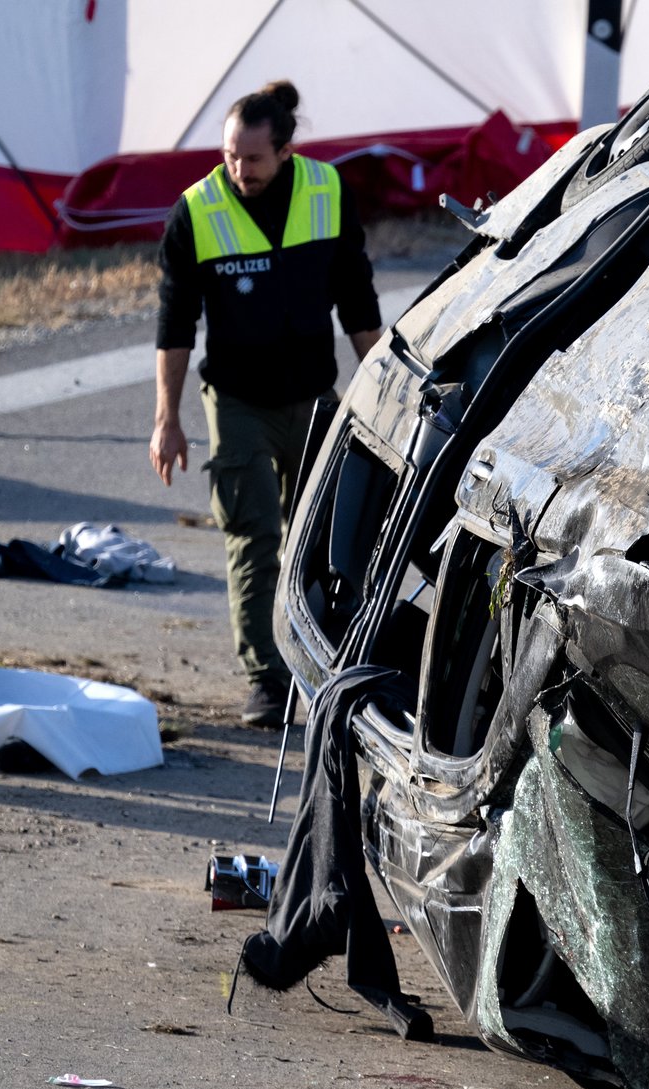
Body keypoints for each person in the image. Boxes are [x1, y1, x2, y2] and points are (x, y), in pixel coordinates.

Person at [150, 80, 383, 727]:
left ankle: (318, 666)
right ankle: (267, 683)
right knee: (252, 537)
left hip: (312, 401)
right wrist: (167, 419)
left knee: (319, 542)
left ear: (283, 151)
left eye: (250, 158)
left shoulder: (328, 193)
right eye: (228, 155)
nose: (236, 170)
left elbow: (359, 305)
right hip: (238, 402)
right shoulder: (195, 212)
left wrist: (392, 394)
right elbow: (174, 328)